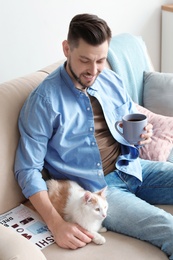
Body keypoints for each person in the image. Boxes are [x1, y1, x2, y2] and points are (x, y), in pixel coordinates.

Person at [14, 13, 173, 258]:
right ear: (67, 49)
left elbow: (127, 124)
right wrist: (57, 225)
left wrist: (140, 136)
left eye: (101, 60)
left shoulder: (110, 80)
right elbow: (27, 170)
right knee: (169, 230)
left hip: (132, 167)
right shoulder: (44, 102)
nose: (94, 70)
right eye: (85, 60)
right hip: (98, 191)